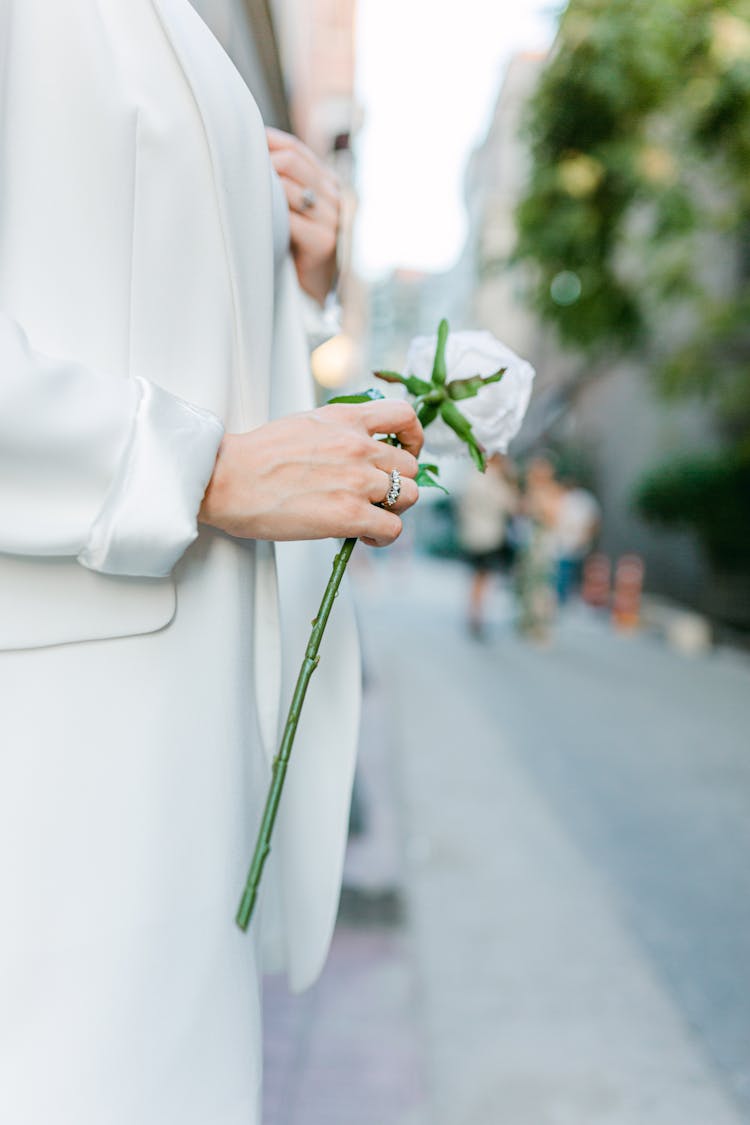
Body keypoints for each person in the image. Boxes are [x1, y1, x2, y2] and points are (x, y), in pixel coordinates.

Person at [0, 3, 422, 1122]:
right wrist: (202, 473)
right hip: (52, 770)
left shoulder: (190, 30)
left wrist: (298, 273)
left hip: (181, 764)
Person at [456, 454, 519, 638]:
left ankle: (473, 613)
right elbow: (511, 506)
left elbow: (463, 506)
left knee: (476, 578)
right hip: (489, 536)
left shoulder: (471, 477)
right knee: (483, 579)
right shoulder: (495, 481)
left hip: (472, 535)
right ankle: (477, 615)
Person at [553, 476, 601, 604]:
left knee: (568, 571)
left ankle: (564, 598)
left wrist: (585, 536)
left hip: (573, 541)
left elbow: (593, 521)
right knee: (565, 571)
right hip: (567, 541)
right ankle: (563, 598)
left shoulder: (580, 499)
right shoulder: (580, 498)